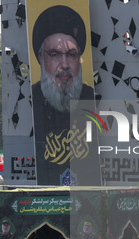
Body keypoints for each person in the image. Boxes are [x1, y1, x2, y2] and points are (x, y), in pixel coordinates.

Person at [30, 5, 97, 185]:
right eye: (55, 54)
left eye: (72, 55)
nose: (64, 64)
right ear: (40, 58)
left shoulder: (94, 100)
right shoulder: (28, 102)